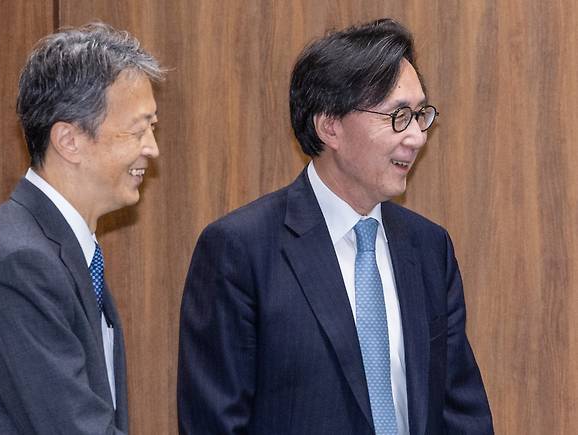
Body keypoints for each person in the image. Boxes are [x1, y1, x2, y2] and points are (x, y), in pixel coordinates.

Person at [177, 18, 493, 434]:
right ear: (330, 126)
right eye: (398, 116)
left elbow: (461, 412)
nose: (417, 137)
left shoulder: (428, 247)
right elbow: (214, 423)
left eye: (420, 115)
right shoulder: (240, 250)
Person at [0, 22, 164, 434]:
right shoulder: (20, 262)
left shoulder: (60, 246)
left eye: (153, 127)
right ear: (69, 140)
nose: (152, 147)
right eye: (138, 129)